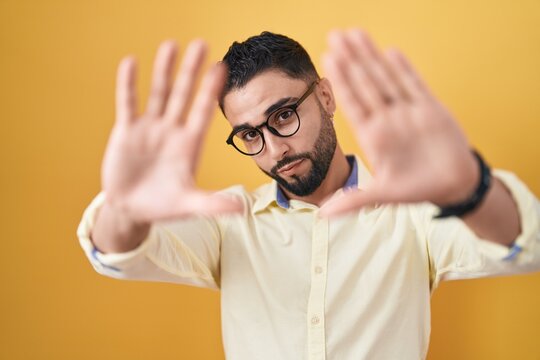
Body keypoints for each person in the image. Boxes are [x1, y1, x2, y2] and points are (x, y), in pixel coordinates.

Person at [77, 29, 540, 359]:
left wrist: (470, 188)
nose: (275, 149)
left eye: (282, 116)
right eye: (249, 135)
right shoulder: (229, 222)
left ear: (325, 97)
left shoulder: (411, 215)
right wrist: (125, 207)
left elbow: (525, 247)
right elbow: (118, 253)